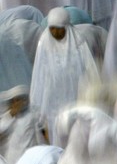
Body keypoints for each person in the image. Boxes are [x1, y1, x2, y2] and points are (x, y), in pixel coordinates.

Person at [30, 7, 98, 144]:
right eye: (52, 28)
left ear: (66, 26)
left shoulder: (78, 41)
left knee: (77, 139)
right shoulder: (44, 42)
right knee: (56, 141)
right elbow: (39, 75)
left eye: (59, 28)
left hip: (75, 99)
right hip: (52, 104)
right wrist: (37, 108)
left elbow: (91, 72)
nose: (55, 32)